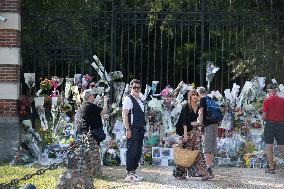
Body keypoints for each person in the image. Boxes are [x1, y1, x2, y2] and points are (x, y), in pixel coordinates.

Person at [173, 90, 213, 180]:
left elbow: (201, 119)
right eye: (193, 95)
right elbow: (184, 122)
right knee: (185, 153)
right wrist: (185, 134)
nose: (195, 96)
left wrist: (199, 126)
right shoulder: (186, 107)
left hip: (196, 133)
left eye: (196, 95)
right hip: (187, 132)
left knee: (198, 153)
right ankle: (180, 173)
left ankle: (204, 174)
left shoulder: (199, 107)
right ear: (190, 96)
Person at [122, 79, 145, 182]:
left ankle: (134, 172)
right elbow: (124, 115)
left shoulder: (140, 99)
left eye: (138, 87)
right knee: (131, 150)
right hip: (132, 128)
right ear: (131, 88)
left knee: (138, 151)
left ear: (140, 88)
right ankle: (129, 173)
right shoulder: (128, 99)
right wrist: (127, 129)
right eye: (134, 87)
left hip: (140, 128)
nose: (136, 89)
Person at [262, 83, 284, 174]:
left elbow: (264, 116)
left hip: (270, 124)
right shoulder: (283, 100)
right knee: (282, 146)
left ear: (269, 91)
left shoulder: (266, 100)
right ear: (276, 91)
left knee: (269, 146)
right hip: (281, 125)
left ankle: (271, 168)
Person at [197, 86, 218, 176]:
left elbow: (201, 113)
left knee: (206, 148)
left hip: (208, 126)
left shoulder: (202, 100)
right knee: (212, 147)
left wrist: (199, 126)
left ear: (199, 93)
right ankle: (209, 167)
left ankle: (206, 169)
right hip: (215, 124)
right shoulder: (211, 98)